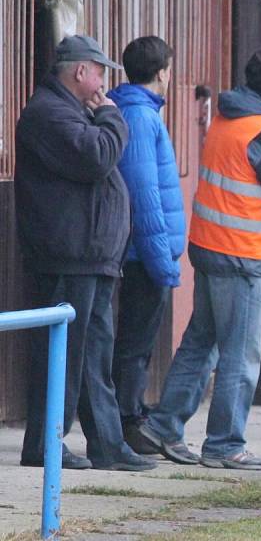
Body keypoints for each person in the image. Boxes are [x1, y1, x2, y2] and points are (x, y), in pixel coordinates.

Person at [137, 44, 261, 470]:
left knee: (200, 344)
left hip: (209, 248)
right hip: (242, 256)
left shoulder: (228, 115)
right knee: (240, 356)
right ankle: (225, 444)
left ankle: (164, 425)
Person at [16, 35, 156, 471]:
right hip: (69, 253)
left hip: (89, 253)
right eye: (100, 73)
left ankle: (108, 444)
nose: (103, 86)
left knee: (94, 356)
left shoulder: (70, 110)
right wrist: (112, 118)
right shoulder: (48, 114)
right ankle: (44, 444)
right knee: (64, 355)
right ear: (81, 71)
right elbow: (96, 158)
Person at [108, 36, 186, 454]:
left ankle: (130, 412)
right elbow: (144, 193)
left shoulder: (138, 111)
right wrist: (162, 260)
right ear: (162, 73)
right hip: (144, 253)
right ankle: (126, 421)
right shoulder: (140, 116)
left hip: (145, 251)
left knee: (137, 340)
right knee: (135, 343)